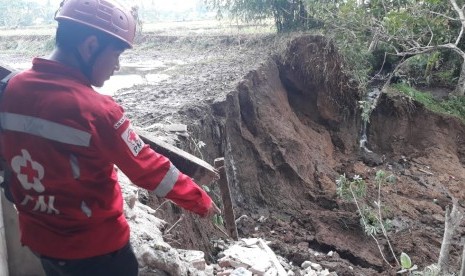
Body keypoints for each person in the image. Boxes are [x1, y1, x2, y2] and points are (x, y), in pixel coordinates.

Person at [0, 0, 221, 275]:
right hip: (98, 252)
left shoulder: (9, 88)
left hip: (41, 241)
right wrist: (200, 200)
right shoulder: (97, 111)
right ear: (90, 46)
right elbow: (150, 170)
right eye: (116, 54)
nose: (116, 66)